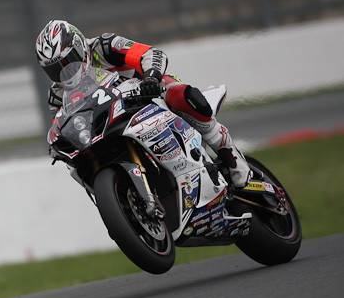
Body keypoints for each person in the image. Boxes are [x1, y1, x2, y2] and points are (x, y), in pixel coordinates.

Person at [34, 20, 251, 187]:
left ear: (80, 46)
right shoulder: (57, 94)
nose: (66, 71)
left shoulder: (104, 46)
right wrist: (58, 145)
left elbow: (151, 54)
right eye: (55, 69)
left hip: (147, 96)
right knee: (77, 164)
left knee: (180, 95)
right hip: (107, 125)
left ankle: (230, 156)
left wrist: (151, 78)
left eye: (69, 60)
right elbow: (62, 126)